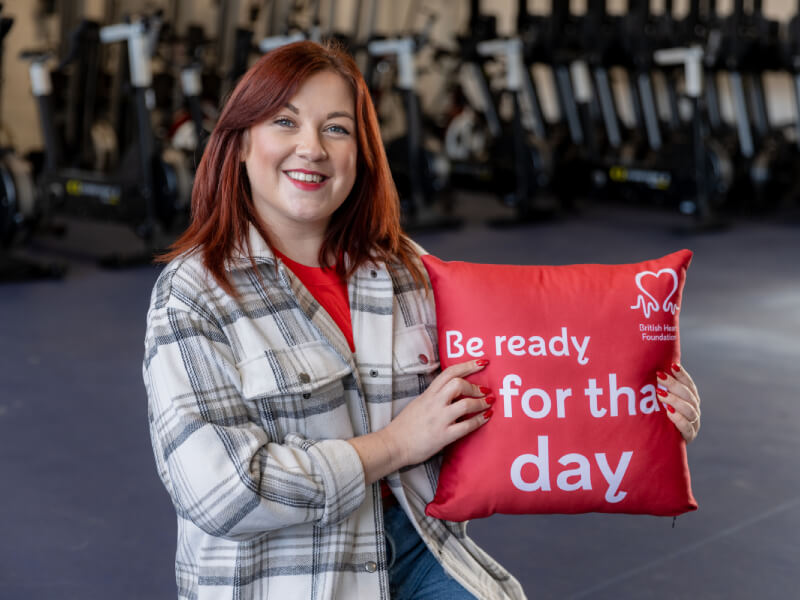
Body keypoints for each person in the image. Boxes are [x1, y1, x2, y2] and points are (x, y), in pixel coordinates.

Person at [143, 40, 702, 600]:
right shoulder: (194, 294)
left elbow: (529, 374)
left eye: (336, 129)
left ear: (360, 153)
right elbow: (221, 492)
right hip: (286, 573)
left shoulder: (405, 271)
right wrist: (393, 445)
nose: (310, 148)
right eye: (285, 122)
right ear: (240, 143)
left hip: (417, 544)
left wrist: (639, 410)